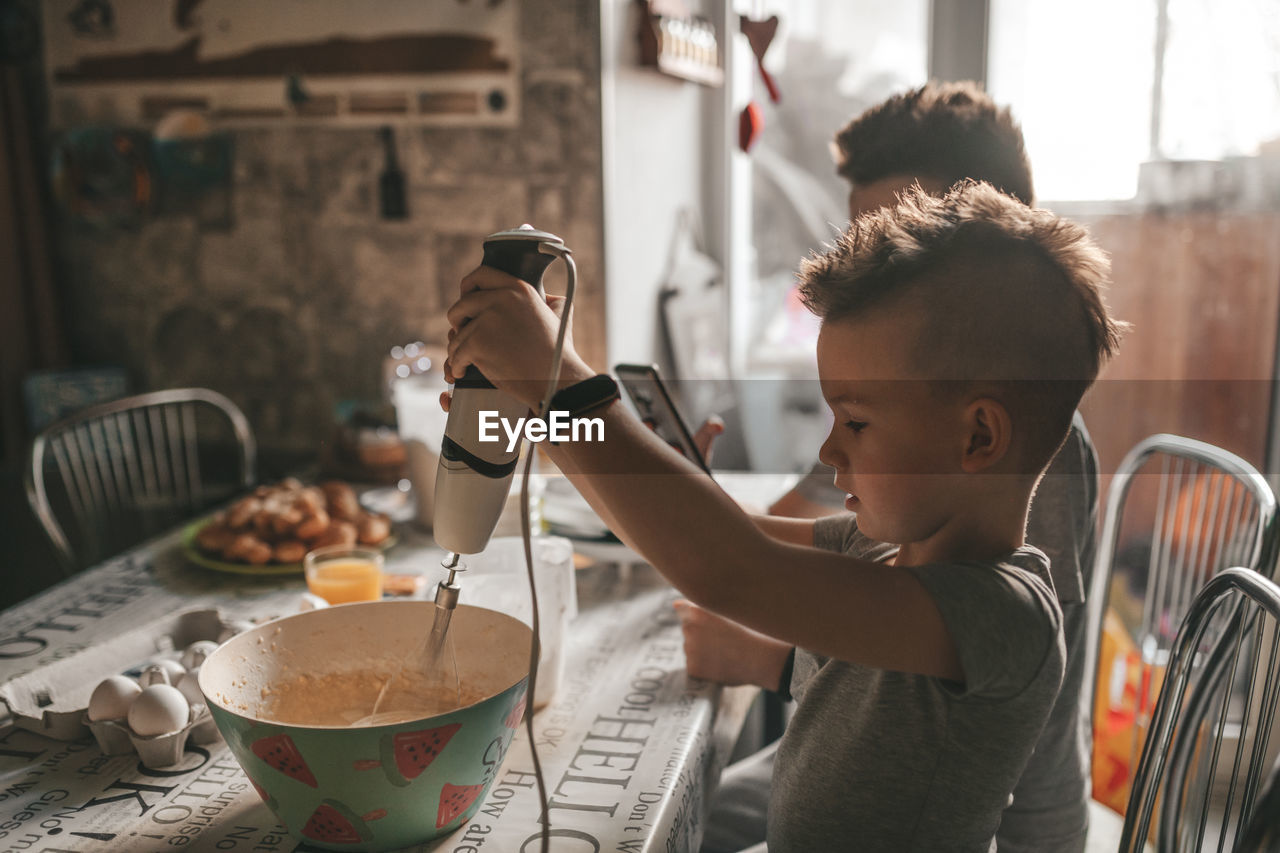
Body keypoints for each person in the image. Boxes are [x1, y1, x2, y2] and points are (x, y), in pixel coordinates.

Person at [442, 181, 1124, 851]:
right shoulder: (882, 550)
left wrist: (565, 385)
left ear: (978, 437)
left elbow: (731, 568)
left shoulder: (1004, 615)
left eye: (855, 420)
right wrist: (541, 413)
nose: (830, 448)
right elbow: (695, 538)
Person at [692, 81, 1102, 853]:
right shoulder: (917, 439)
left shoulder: (1028, 460)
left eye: (897, 236)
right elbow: (829, 535)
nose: (873, 264)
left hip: (1004, 823)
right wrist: (691, 505)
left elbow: (964, 686)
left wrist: (776, 655)